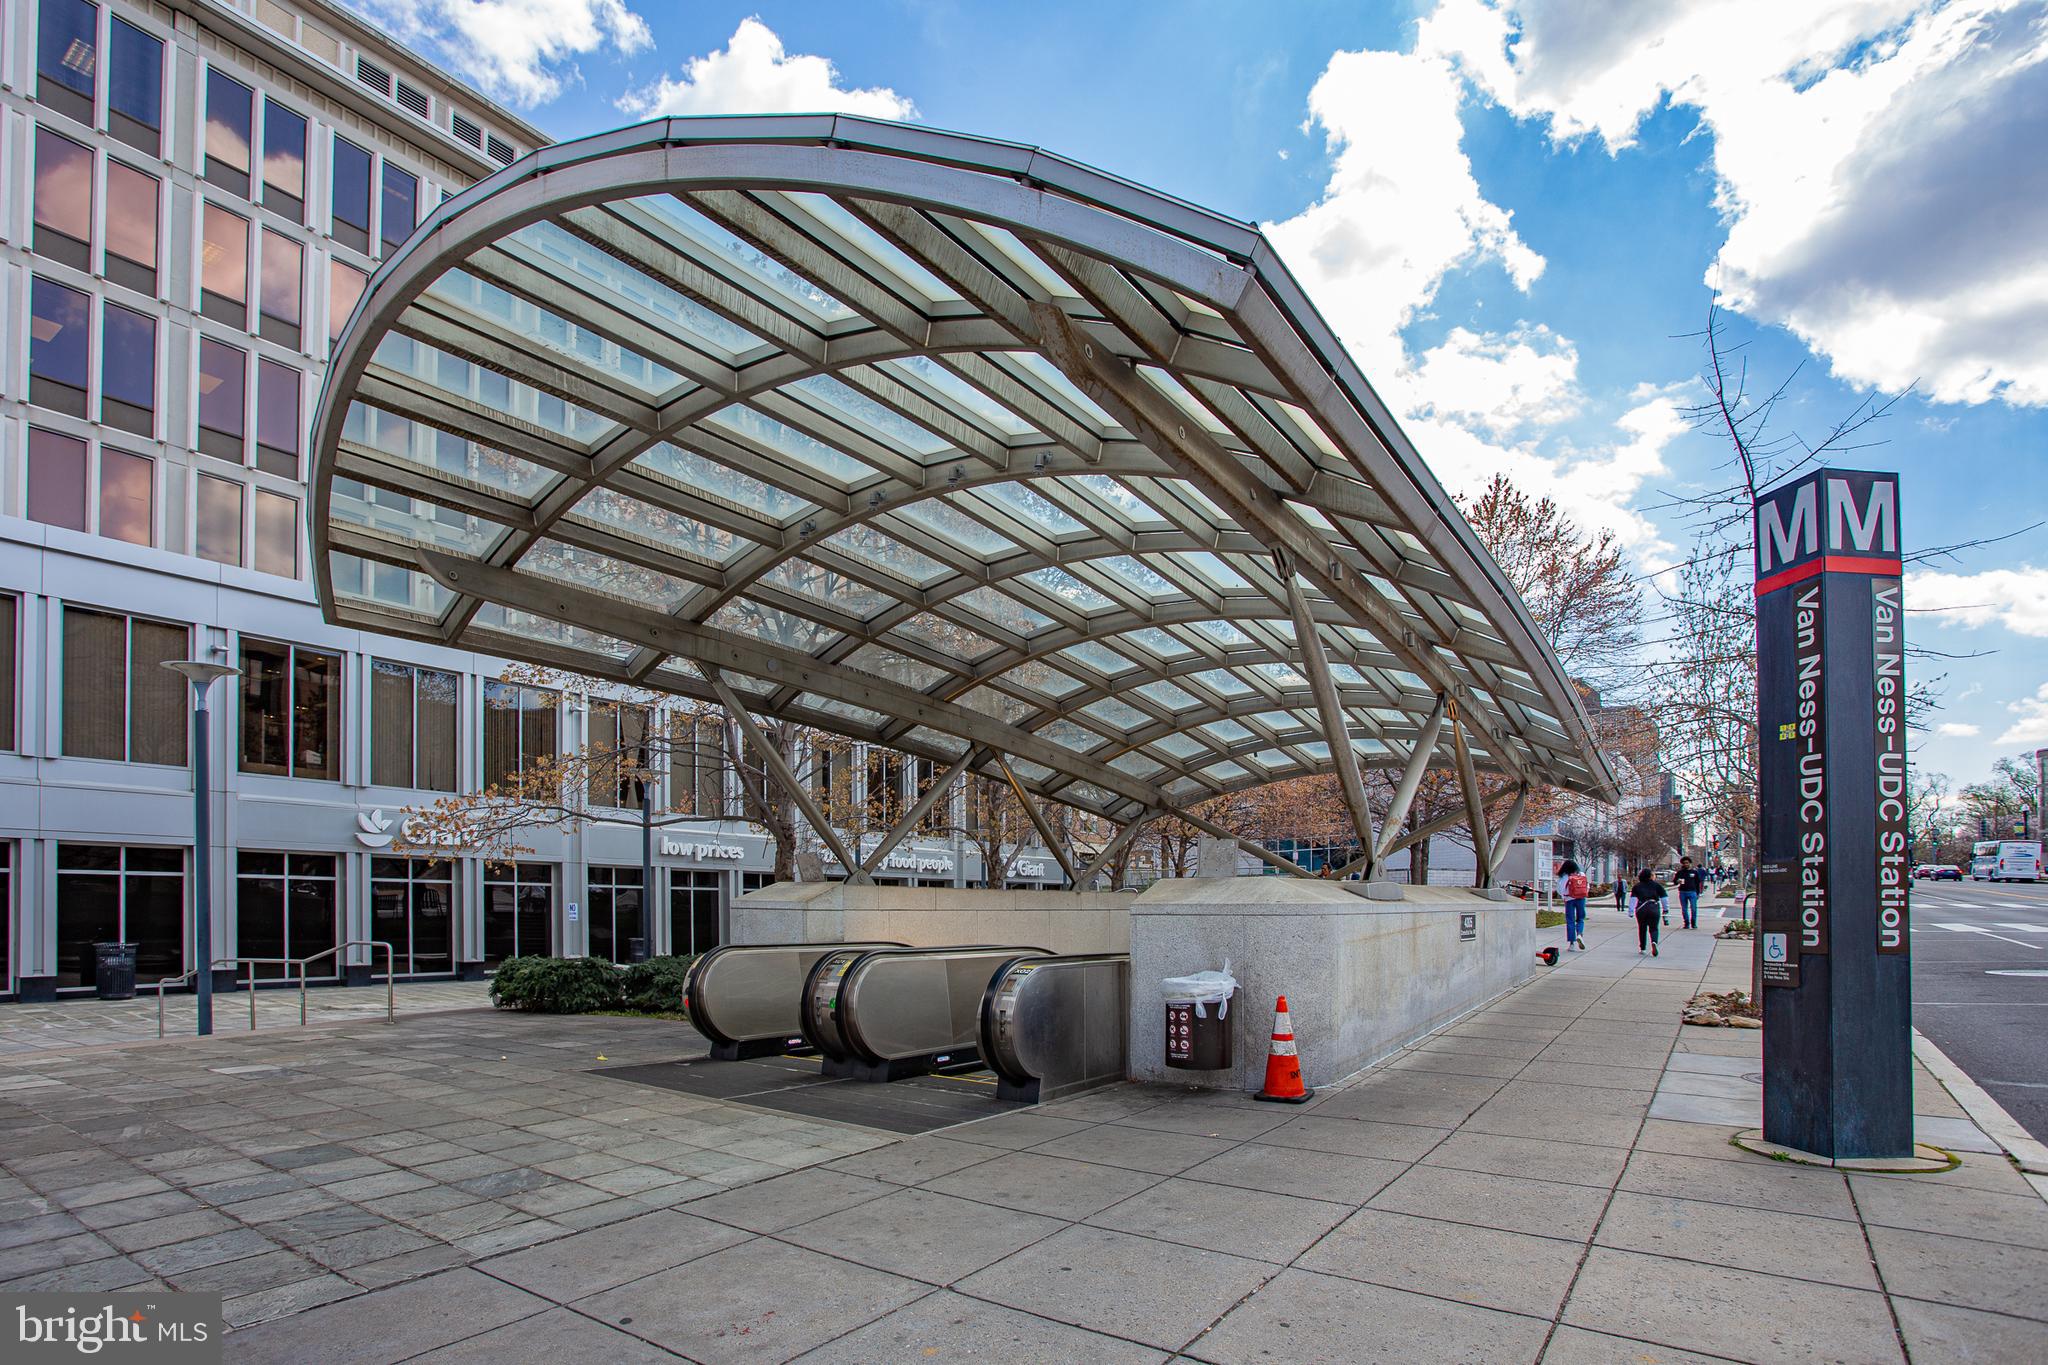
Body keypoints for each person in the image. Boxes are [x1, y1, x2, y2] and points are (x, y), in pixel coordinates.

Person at [1555, 859, 1589, 951]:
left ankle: (1572, 944)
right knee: (1580, 919)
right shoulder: (1581, 874)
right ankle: (1579, 934)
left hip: (1569, 900)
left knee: (1570, 921)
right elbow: (1587, 887)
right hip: (1581, 899)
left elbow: (1560, 890)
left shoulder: (1564, 877)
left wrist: (1564, 897)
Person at [1632, 868, 1667, 956]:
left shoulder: (1637, 886)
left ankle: (1643, 948)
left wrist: (1631, 911)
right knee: (1654, 928)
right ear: (1651, 876)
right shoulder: (1657, 886)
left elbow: (1633, 899)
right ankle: (1654, 941)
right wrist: (1665, 909)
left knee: (1642, 928)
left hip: (1641, 908)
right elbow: (1664, 898)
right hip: (1653, 907)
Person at [1676, 857, 1705, 930]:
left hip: (1692, 892)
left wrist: (1698, 893)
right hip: (1683, 892)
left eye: (1687, 863)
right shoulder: (1680, 872)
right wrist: (1677, 881)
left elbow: (1698, 883)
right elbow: (1674, 881)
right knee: (1684, 909)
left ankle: (1693, 923)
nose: (1686, 864)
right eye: (1684, 863)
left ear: (1690, 863)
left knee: (1693, 908)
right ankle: (1686, 923)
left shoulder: (1694, 872)